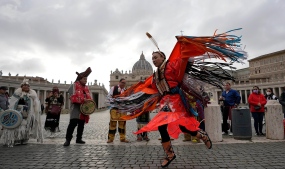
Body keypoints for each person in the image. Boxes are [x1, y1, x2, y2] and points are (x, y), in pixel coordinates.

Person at [109, 30, 247, 168]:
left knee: (177, 126)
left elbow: (183, 59)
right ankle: (175, 150)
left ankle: (199, 137)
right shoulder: (155, 75)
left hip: (175, 100)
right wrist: (125, 99)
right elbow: (143, 87)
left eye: (156, 57)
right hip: (165, 102)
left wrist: (183, 44)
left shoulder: (171, 66)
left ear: (163, 57)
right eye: (153, 59)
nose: (154, 60)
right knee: (167, 127)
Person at [0, 79, 43, 146]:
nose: (26, 87)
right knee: (18, 125)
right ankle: (16, 138)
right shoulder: (17, 93)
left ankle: (24, 138)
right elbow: (13, 103)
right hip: (18, 112)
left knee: (26, 125)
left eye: (27, 86)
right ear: (21, 86)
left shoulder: (32, 95)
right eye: (24, 85)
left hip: (28, 113)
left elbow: (36, 104)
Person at [63, 67, 92, 146]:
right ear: (80, 79)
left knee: (81, 124)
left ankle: (79, 138)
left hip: (83, 109)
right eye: (84, 79)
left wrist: (89, 102)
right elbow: (72, 95)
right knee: (72, 124)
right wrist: (83, 99)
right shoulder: (74, 85)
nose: (86, 81)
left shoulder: (86, 87)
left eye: (86, 79)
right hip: (76, 108)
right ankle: (68, 139)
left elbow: (89, 97)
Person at [107, 78, 130, 143]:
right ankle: (110, 138)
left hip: (122, 109)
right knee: (113, 123)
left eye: (124, 83)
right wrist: (115, 100)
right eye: (122, 82)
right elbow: (109, 97)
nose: (123, 84)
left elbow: (127, 99)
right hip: (114, 108)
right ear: (119, 82)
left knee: (122, 124)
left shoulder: (125, 90)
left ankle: (122, 138)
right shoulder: (113, 88)